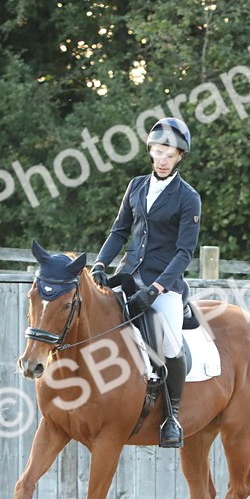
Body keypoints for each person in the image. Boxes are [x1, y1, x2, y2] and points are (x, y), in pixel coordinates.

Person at [91, 117, 202, 449]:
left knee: (169, 345)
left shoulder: (188, 197)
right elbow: (119, 231)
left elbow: (184, 253)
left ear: (180, 156)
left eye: (170, 153)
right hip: (127, 277)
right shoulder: (136, 186)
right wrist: (100, 263)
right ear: (151, 151)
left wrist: (156, 290)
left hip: (163, 285)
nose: (163, 159)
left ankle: (172, 417)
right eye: (158, 151)